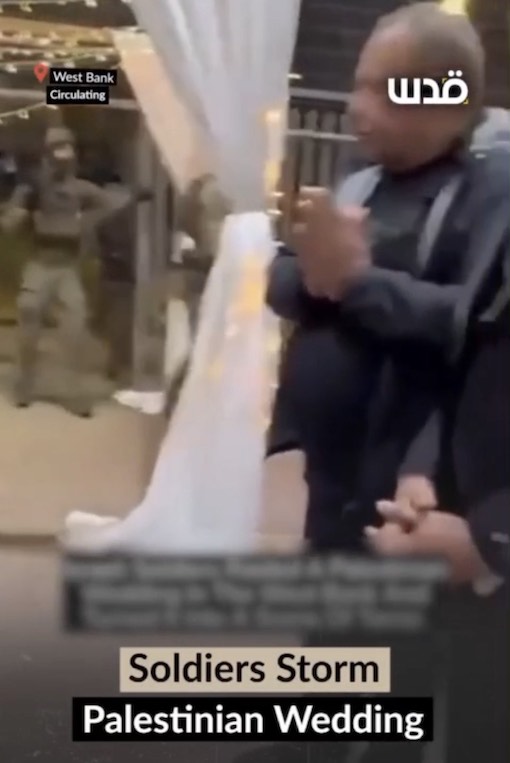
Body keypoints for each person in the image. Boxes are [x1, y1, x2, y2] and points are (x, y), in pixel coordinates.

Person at [266, 3, 508, 554]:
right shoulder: (362, 179)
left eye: (387, 91)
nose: (358, 108)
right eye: (360, 86)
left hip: (414, 486)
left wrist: (357, 284)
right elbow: (284, 274)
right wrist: (318, 276)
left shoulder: (489, 192)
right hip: (332, 472)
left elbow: (473, 324)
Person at [1, 125, 147, 417]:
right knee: (29, 317)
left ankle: (73, 393)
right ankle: (23, 387)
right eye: (57, 149)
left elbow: (111, 202)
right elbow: (9, 225)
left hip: (67, 269)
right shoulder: (33, 187)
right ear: (47, 155)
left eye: (66, 148)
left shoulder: (80, 188)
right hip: (41, 264)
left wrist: (134, 197)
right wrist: (23, 208)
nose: (63, 155)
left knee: (76, 329)